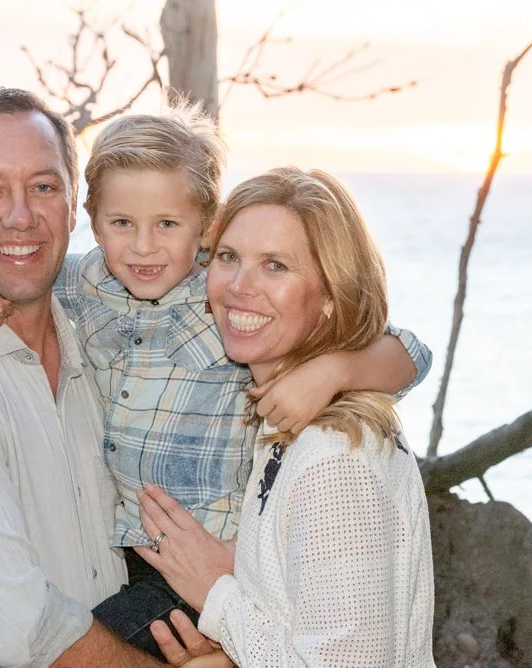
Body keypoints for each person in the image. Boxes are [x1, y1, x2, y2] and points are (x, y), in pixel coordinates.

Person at [0, 103, 433, 659]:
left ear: (205, 227)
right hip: (139, 556)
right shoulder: (92, 283)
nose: (144, 247)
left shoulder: (219, 300)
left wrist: (335, 370)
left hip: (216, 555)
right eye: (123, 224)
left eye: (167, 224)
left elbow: (408, 350)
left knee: (76, 646)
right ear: (92, 220)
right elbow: (17, 269)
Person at [0, 88, 226, 667]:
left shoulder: (102, 333)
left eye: (43, 186)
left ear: (74, 202)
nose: (21, 215)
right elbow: (23, 635)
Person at [133, 167, 437, 666]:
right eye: (228, 258)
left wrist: (216, 591)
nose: (239, 286)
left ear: (330, 297)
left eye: (276, 266)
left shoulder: (333, 455)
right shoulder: (284, 418)